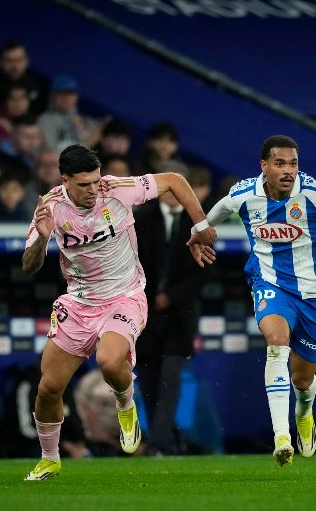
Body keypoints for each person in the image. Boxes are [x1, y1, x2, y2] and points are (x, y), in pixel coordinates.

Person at [20, 144, 216, 480]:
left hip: (126, 296)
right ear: (64, 180)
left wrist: (199, 226)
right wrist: (41, 238)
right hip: (79, 304)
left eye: (96, 181)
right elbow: (29, 266)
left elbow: (174, 180)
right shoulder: (50, 207)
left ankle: (126, 407)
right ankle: (49, 458)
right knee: (48, 388)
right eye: (84, 185)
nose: (94, 190)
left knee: (109, 361)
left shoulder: (116, 190)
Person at [188, 134, 316, 466]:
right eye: (280, 164)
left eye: (293, 164)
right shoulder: (245, 193)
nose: (288, 171)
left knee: (302, 379)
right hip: (270, 285)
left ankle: (304, 412)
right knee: (276, 341)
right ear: (264, 166)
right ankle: (281, 436)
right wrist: (198, 232)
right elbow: (218, 211)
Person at [133, 160, 205, 455]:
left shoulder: (198, 222)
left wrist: (171, 296)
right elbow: (130, 262)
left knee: (170, 379)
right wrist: (151, 296)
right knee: (148, 379)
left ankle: (159, 442)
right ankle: (161, 438)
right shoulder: (141, 218)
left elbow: (204, 270)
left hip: (179, 315)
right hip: (144, 311)